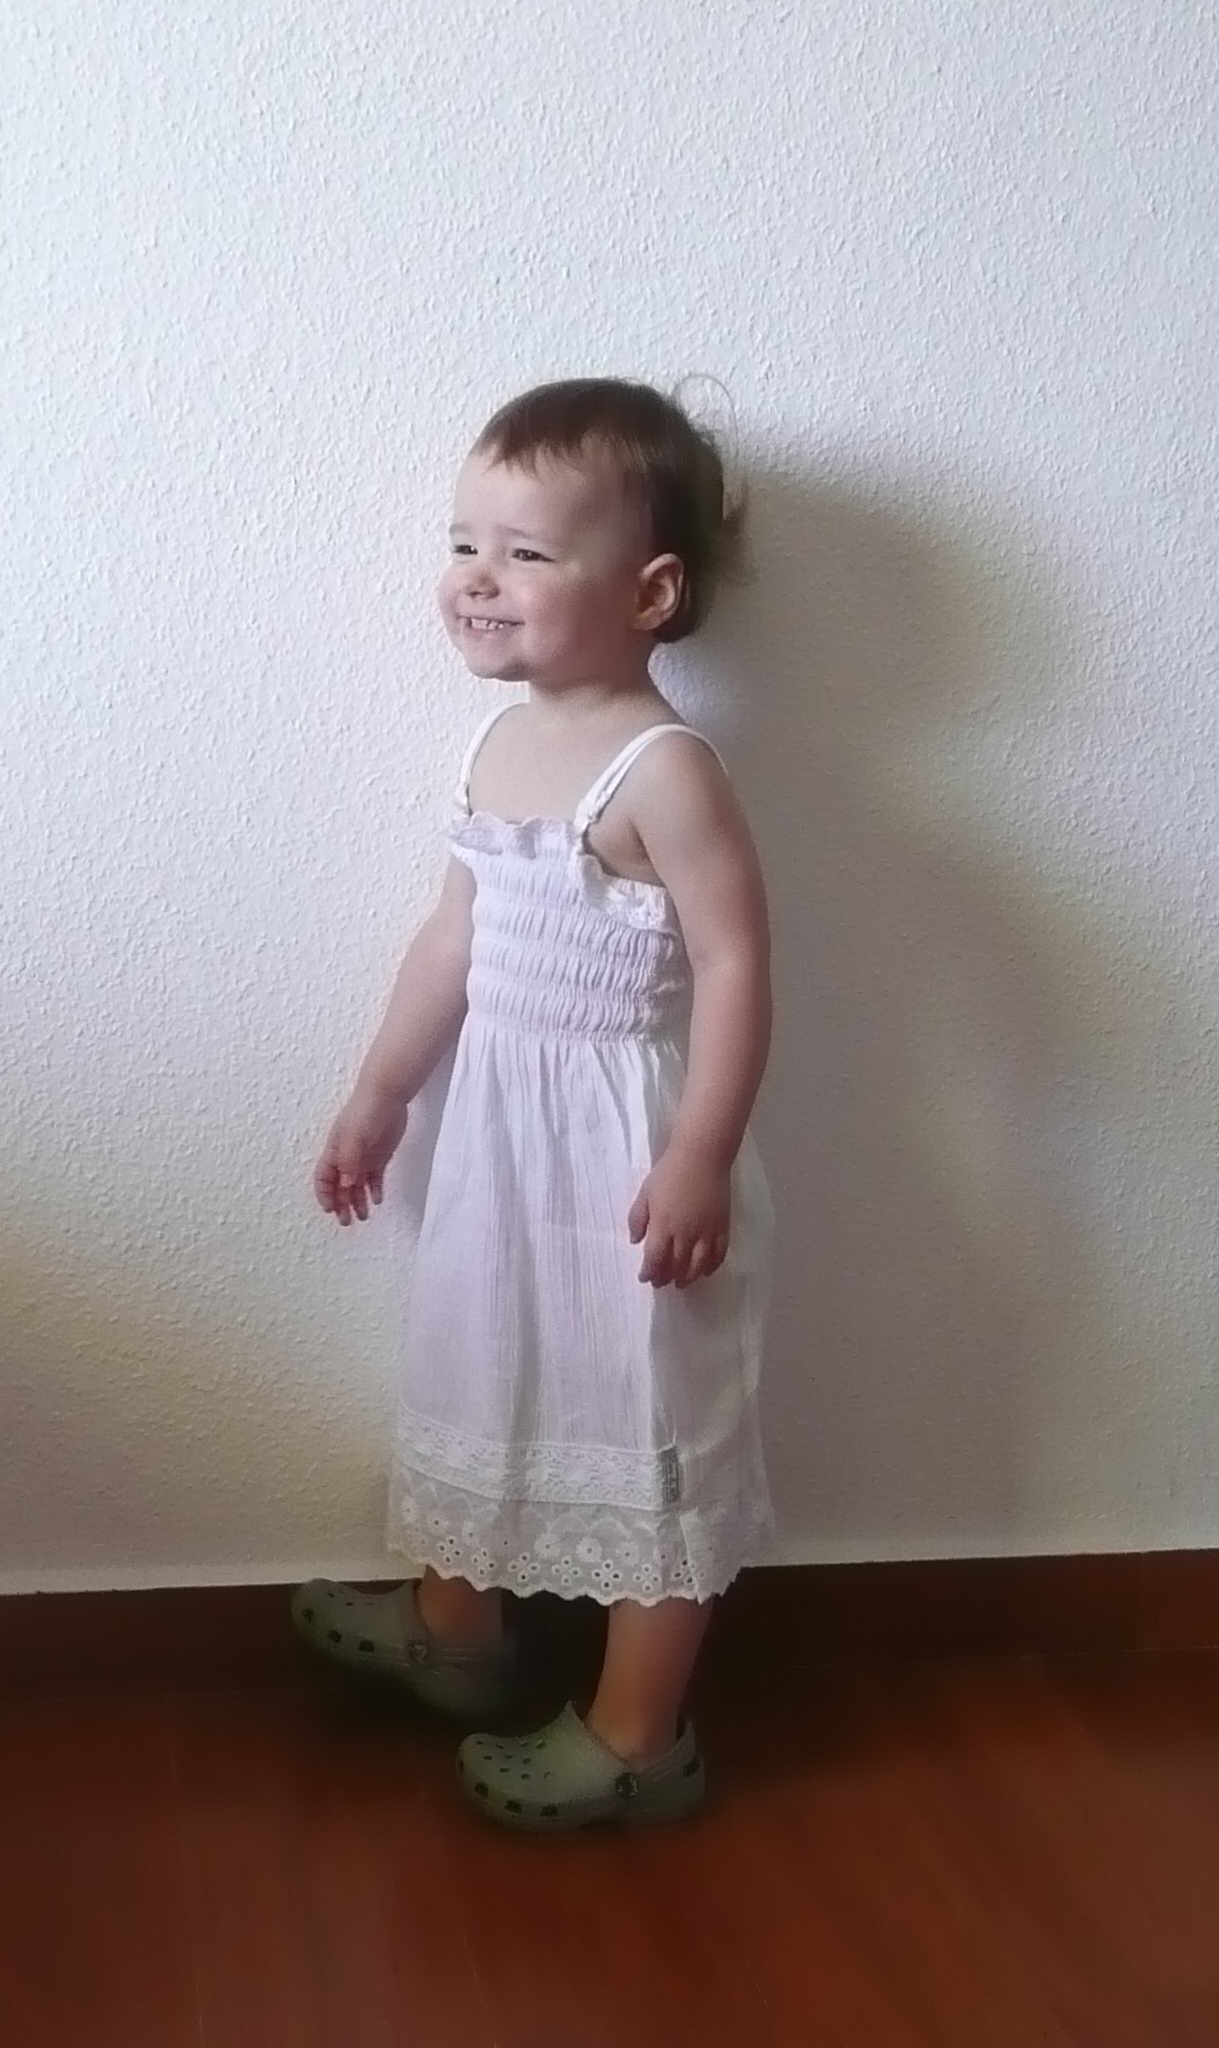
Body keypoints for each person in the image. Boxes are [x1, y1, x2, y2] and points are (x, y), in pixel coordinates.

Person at [292, 377, 774, 1830]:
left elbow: (737, 963)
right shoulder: (497, 748)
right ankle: (459, 1630)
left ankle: (637, 1736)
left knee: (644, 1414)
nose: (476, 578)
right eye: (464, 543)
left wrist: (701, 1154)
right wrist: (380, 1092)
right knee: (481, 1359)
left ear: (651, 592)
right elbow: (454, 940)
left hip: (627, 1158)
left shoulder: (664, 771)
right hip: (498, 1145)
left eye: (525, 552)